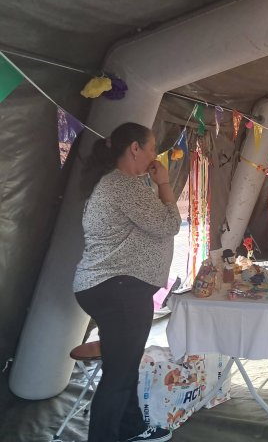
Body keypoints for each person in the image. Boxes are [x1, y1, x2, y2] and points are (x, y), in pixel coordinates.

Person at [74, 123, 181, 442]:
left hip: (113, 287)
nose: (155, 156)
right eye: (152, 148)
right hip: (118, 289)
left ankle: (130, 427)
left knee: (124, 365)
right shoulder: (123, 185)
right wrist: (164, 184)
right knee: (119, 375)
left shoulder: (116, 183)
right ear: (135, 148)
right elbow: (169, 224)